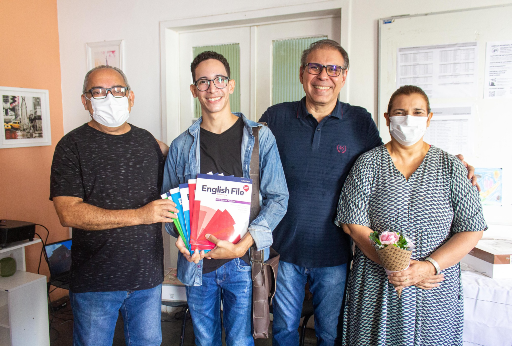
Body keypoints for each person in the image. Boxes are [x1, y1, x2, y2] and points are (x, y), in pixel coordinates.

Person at [259, 39, 478, 346]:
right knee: (282, 331)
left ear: (344, 76)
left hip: (334, 253)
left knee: (330, 333)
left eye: (333, 68)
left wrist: (454, 164)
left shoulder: (359, 121)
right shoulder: (277, 117)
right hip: (284, 250)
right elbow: (249, 161)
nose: (323, 75)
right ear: (302, 73)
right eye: (315, 67)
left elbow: (392, 156)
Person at [335, 85, 487, 346]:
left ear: (429, 118)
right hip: (378, 283)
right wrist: (397, 267)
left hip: (434, 286)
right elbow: (352, 223)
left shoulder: (451, 166)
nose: (408, 119)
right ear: (387, 118)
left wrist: (429, 266)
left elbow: (472, 228)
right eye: (400, 112)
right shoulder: (368, 164)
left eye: (417, 112)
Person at [162, 51, 289, 346]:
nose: (212, 88)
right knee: (204, 340)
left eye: (219, 79)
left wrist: (242, 245)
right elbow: (169, 209)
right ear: (194, 90)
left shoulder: (260, 138)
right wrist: (179, 236)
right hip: (197, 263)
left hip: (243, 261)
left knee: (240, 340)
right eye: (203, 82)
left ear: (230, 85)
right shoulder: (182, 146)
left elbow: (278, 198)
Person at [50, 65, 177, 346]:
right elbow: (67, 212)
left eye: (117, 90)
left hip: (147, 278)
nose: (110, 97)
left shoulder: (149, 143)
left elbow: (180, 187)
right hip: (96, 281)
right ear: (85, 100)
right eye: (99, 91)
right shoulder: (71, 146)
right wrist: (140, 216)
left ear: (130, 97)